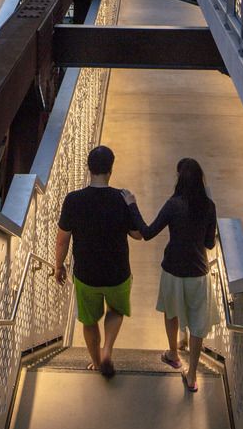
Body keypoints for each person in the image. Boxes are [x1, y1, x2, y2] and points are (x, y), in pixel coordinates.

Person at [54, 145, 144, 377]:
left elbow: (62, 240)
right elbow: (138, 234)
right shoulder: (121, 198)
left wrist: (58, 266)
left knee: (89, 321)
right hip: (117, 273)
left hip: (86, 274)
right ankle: (107, 351)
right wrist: (132, 205)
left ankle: (95, 361)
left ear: (88, 168)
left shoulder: (73, 200)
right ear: (110, 170)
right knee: (115, 310)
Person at [132, 158, 218, 393]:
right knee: (198, 323)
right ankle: (191, 375)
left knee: (172, 312)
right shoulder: (208, 206)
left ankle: (173, 354)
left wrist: (132, 206)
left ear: (179, 178)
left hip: (172, 269)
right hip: (198, 272)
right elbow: (209, 243)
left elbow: (148, 233)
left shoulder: (173, 204)